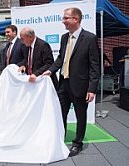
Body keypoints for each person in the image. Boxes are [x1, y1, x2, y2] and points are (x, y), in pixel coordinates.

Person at [42, 7, 100, 157]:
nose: (63, 21)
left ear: (76, 19)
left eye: (66, 18)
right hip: (63, 84)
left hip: (81, 86)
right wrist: (50, 70)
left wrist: (92, 88)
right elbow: (61, 58)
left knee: (81, 116)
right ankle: (60, 138)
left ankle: (77, 143)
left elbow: (95, 65)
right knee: (61, 113)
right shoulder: (64, 37)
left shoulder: (89, 38)